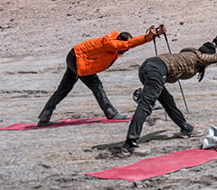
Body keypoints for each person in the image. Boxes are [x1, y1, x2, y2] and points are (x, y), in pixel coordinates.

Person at [122, 31, 217, 155]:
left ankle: (186, 128)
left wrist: (215, 42)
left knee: (167, 101)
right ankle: (130, 143)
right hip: (156, 71)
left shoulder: (192, 53)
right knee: (145, 106)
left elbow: (207, 51)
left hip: (147, 67)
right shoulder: (199, 58)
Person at [37, 25, 165, 126]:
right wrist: (147, 37)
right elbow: (127, 44)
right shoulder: (110, 43)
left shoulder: (115, 43)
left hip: (75, 57)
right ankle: (111, 113)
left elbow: (128, 43)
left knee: (63, 89)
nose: (125, 51)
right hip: (80, 61)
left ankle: (45, 116)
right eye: (124, 48)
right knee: (97, 86)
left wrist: (155, 35)